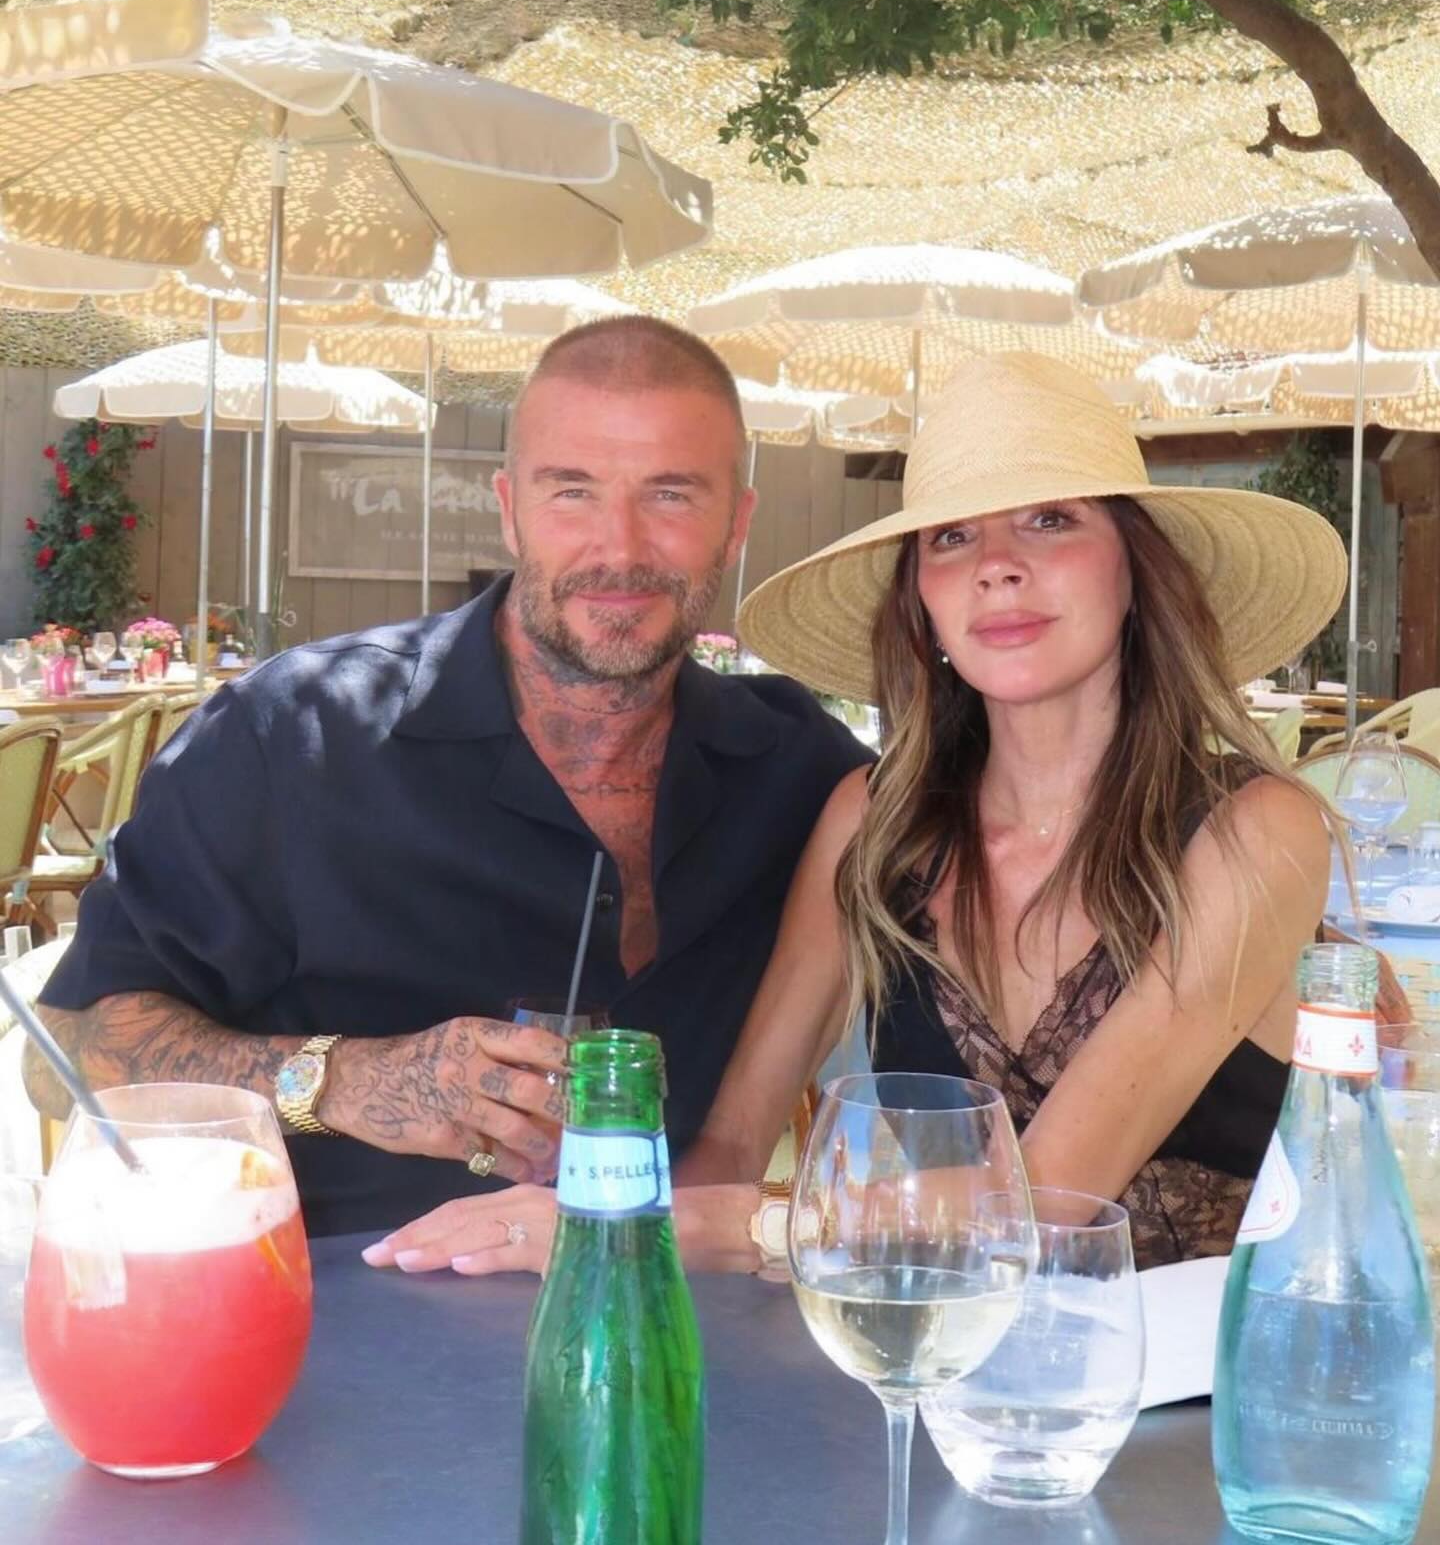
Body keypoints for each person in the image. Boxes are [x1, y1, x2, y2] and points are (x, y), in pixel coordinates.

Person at [368, 351, 1351, 1277]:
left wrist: (643, 1219)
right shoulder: (875, 823)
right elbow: (734, 1142)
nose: (997, 566)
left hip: (1197, 1389)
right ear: (922, 599)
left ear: (1134, 569)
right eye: (952, 538)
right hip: (920, 1367)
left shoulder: (1256, 832)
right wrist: (593, 1268)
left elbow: (1043, 1199)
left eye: (1051, 520)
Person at [24, 317, 870, 1236]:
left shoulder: (799, 768)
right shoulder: (293, 737)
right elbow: (61, 1052)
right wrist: (344, 1080)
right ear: (508, 509)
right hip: (340, 1299)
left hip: (659, 1304)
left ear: (736, 525)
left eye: (671, 494)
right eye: (572, 491)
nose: (619, 547)